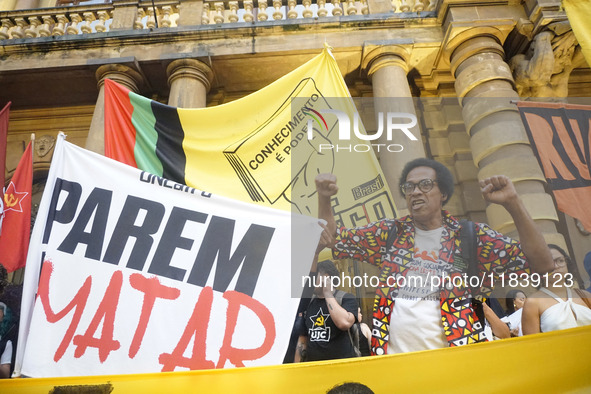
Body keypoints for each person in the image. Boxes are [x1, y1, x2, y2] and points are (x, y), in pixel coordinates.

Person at [315, 158, 553, 355]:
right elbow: (334, 238)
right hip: (395, 366)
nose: (416, 191)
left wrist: (513, 203)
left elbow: (542, 264)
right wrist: (324, 198)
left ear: (444, 194)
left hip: (459, 363)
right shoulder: (390, 233)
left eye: (425, 184)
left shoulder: (471, 236)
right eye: (409, 187)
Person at [295, 260, 359, 362]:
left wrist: (327, 294)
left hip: (342, 367)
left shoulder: (346, 298)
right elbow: (303, 338)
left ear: (327, 277)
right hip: (314, 368)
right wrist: (296, 367)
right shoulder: (309, 302)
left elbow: (344, 323)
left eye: (314, 277)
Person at [522, 244, 591, 335]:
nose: (556, 266)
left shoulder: (584, 295)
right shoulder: (533, 303)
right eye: (548, 262)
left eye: (560, 260)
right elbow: (533, 344)